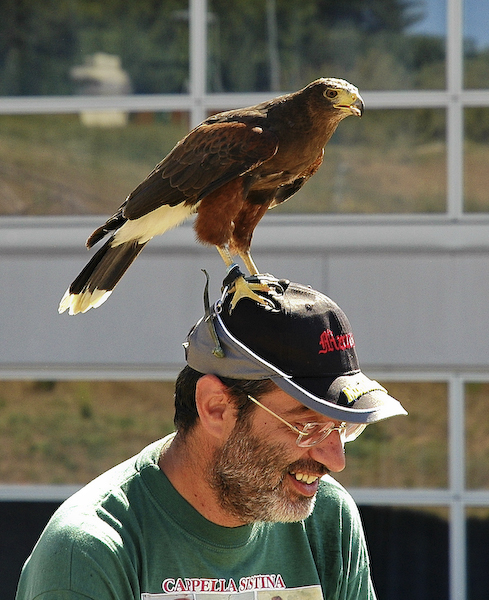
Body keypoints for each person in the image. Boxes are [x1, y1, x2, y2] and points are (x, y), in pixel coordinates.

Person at [16, 274, 407, 600]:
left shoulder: (328, 519)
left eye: (342, 427)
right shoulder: (90, 552)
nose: (335, 461)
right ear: (216, 408)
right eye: (308, 425)